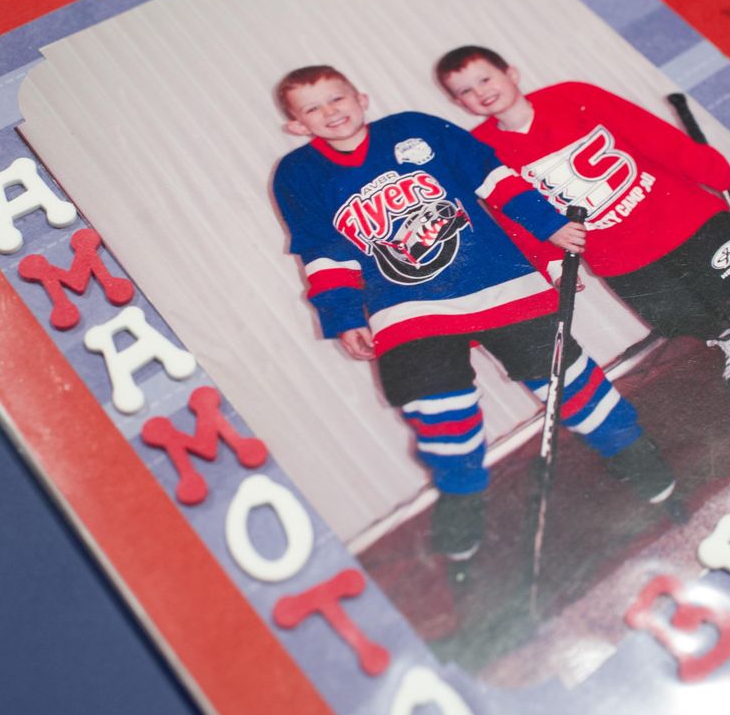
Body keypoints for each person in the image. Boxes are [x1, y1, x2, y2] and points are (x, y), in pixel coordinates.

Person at [271, 65, 675, 560]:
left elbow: (496, 180)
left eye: (337, 98)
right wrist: (343, 315)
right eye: (312, 108)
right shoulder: (297, 174)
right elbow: (325, 251)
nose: (330, 112)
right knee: (434, 405)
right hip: (404, 306)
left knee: (565, 378)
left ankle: (631, 450)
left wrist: (548, 227)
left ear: (361, 96)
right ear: (297, 126)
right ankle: (461, 494)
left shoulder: (415, 129)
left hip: (496, 280)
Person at [435, 46, 730, 420]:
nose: (481, 93)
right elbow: (514, 212)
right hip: (621, 254)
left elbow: (644, 132)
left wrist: (701, 164)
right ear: (459, 103)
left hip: (684, 216)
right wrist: (550, 260)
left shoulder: (572, 97)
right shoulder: (485, 151)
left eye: (485, 78)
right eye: (466, 91)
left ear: (510, 72)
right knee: (677, 312)